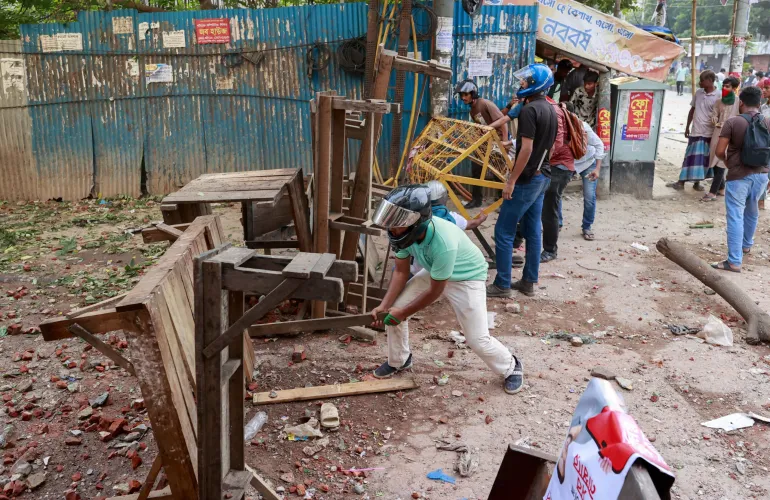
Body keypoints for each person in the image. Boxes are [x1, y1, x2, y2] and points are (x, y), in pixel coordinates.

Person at [369, 185, 524, 394]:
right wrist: (384, 306)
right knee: (394, 311)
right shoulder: (401, 234)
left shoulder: (442, 241)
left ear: (416, 221)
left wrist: (403, 313)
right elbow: (400, 272)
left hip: (467, 276)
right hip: (436, 271)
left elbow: (434, 291)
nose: (391, 229)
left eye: (396, 224)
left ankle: (511, 366)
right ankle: (399, 360)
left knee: (477, 339)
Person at [486, 64, 557, 297]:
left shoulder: (529, 111)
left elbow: (526, 149)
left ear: (536, 84)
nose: (522, 84)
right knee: (533, 230)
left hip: (527, 180)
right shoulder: (549, 109)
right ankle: (528, 282)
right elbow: (550, 146)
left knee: (504, 231)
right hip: (543, 176)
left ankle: (502, 284)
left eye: (526, 81)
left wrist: (511, 181)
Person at [712, 86, 770, 272]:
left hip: (739, 176)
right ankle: (746, 245)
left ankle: (734, 261)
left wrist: (728, 163)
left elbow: (719, 151)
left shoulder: (733, 122)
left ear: (741, 102)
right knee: (752, 209)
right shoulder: (768, 121)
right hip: (761, 175)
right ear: (759, 103)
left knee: (736, 215)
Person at [454, 79, 510, 209]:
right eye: (461, 95)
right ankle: (476, 200)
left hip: (497, 142)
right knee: (476, 170)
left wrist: (504, 144)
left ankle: (503, 202)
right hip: (485, 143)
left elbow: (503, 121)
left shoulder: (485, 104)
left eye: (465, 94)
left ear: (473, 93)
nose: (463, 98)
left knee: (498, 172)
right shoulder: (472, 110)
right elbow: (481, 127)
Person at [540, 96, 576, 263]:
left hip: (560, 167)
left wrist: (536, 159)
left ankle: (550, 250)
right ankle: (518, 238)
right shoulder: (549, 109)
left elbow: (557, 143)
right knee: (538, 204)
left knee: (549, 210)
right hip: (554, 165)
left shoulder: (553, 111)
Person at [669, 70, 718, 191]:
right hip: (696, 131)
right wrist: (687, 127)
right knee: (690, 156)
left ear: (710, 81)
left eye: (702, 80)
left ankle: (697, 183)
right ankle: (681, 182)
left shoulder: (719, 96)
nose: (700, 83)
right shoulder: (698, 93)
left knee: (703, 159)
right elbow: (692, 110)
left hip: (709, 133)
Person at [564, 103, 606, 240]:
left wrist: (597, 169)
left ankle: (587, 226)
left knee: (589, 197)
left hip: (588, 164)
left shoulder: (583, 127)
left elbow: (600, 145)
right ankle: (557, 223)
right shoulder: (556, 126)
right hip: (569, 164)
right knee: (554, 193)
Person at [703, 76, 741, 201]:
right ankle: (721, 188)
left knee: (721, 162)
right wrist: (715, 121)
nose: (724, 88)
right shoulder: (719, 101)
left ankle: (712, 193)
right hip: (717, 133)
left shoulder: (739, 102)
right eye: (723, 86)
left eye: (727, 86)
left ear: (734, 89)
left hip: (731, 135)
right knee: (714, 160)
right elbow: (714, 115)